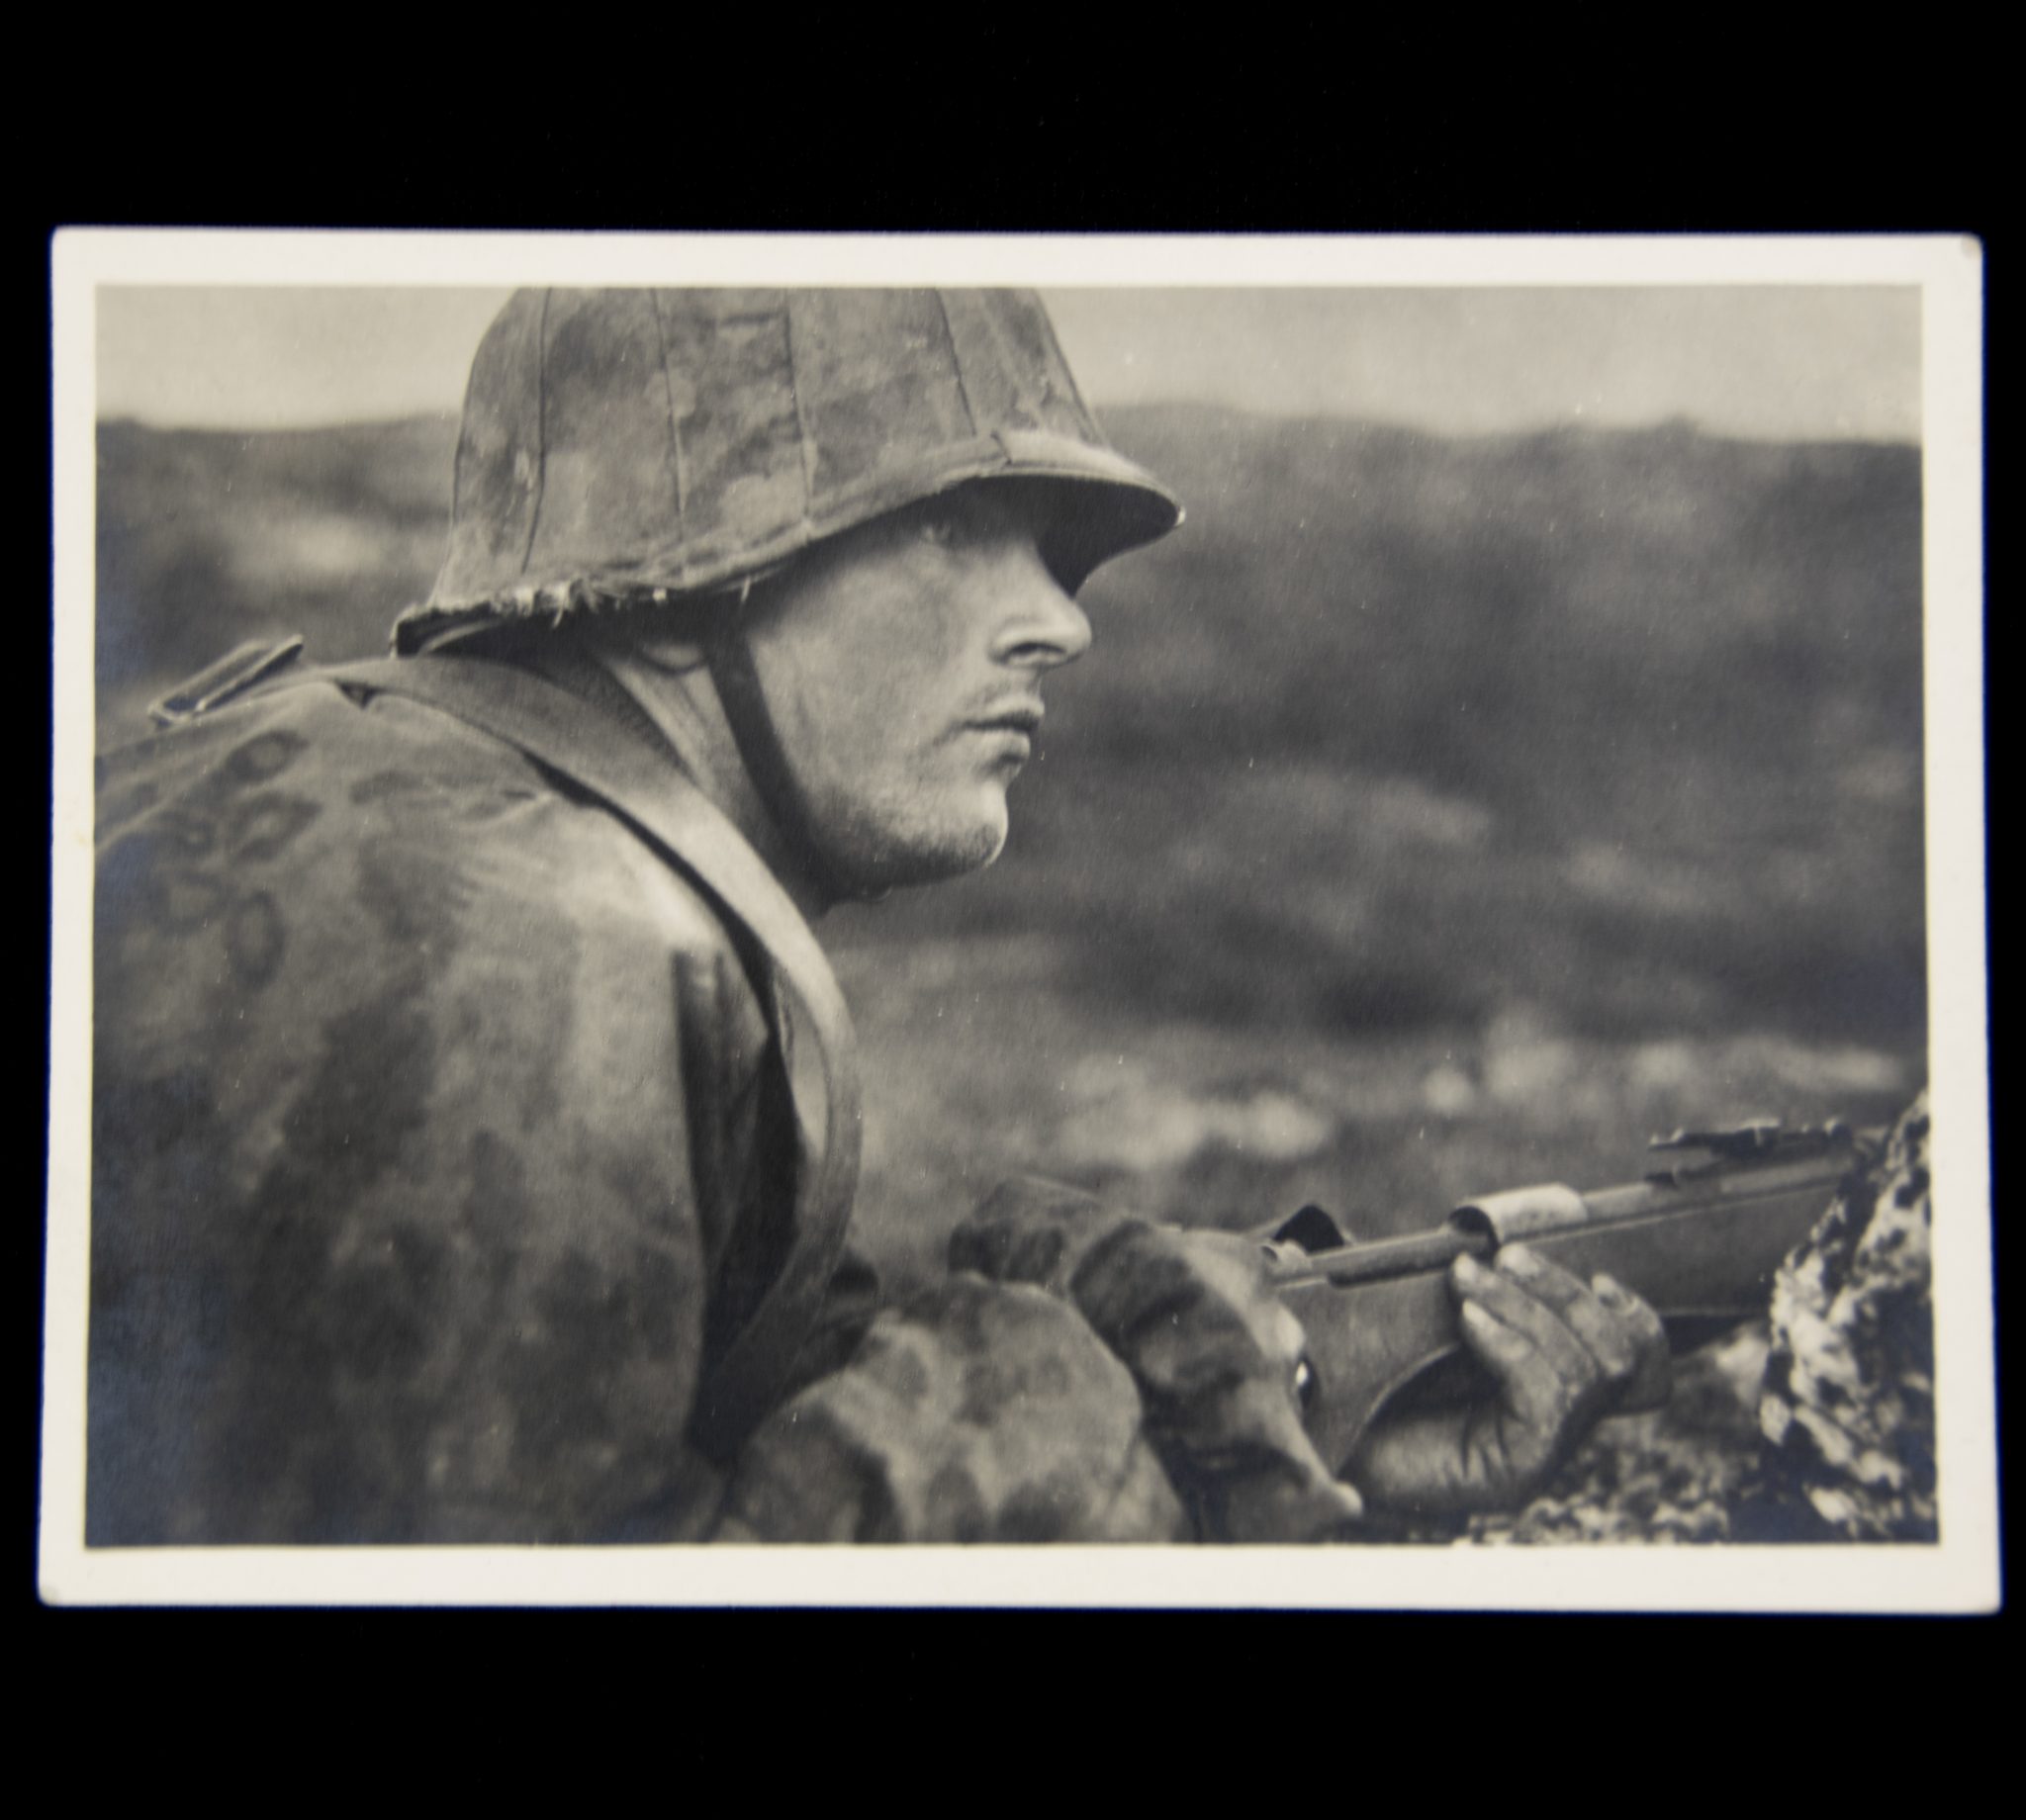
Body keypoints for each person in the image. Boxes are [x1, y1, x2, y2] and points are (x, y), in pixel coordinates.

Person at [88, 288, 1670, 1545]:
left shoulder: (437, 824)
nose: (1059, 620)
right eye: (960, 525)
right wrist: (1074, 1415)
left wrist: (1298, 1418)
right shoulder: (533, 943)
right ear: (688, 579)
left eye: (1052, 553)